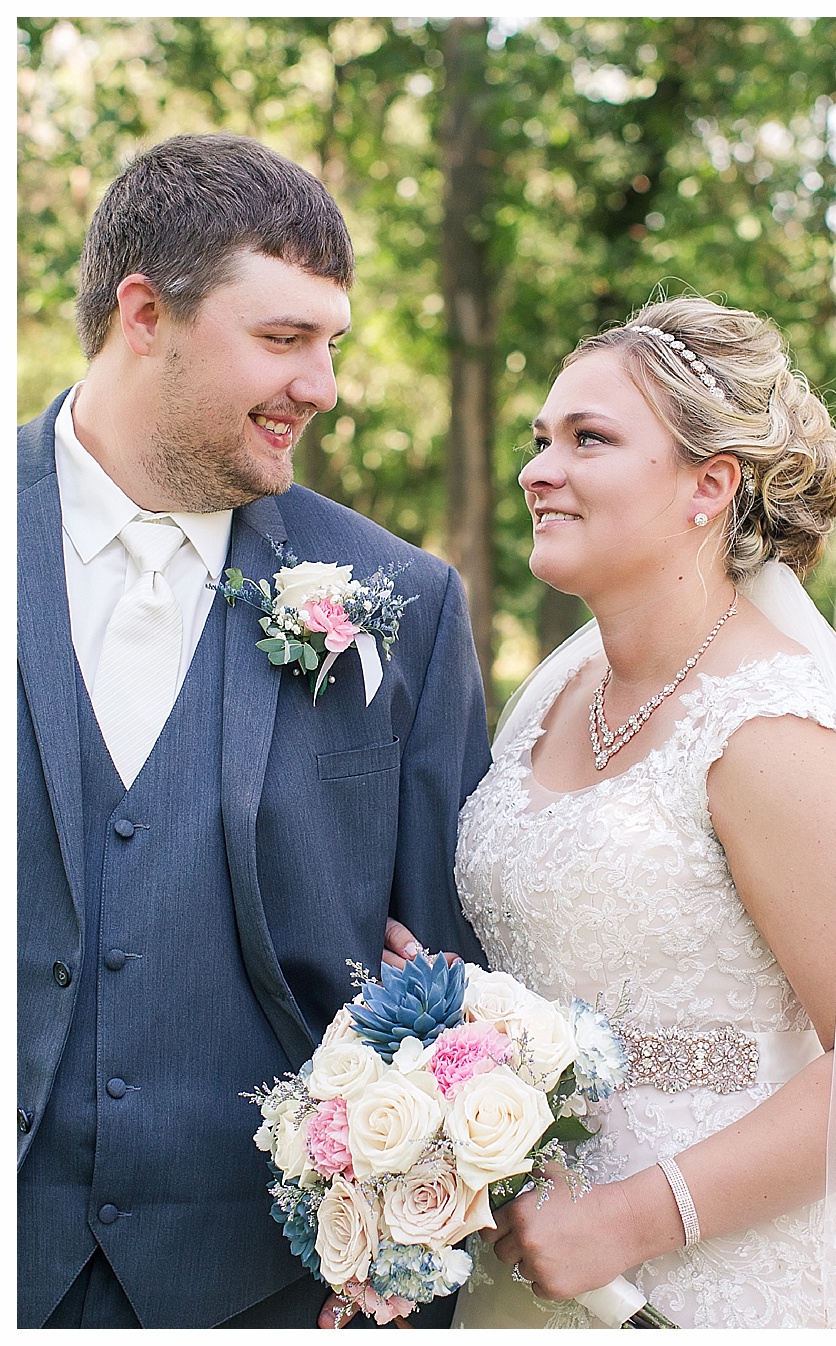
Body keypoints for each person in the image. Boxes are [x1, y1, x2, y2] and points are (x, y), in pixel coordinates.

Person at [15, 133, 490, 1328]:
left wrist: (407, 1272)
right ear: (144, 313)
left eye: (330, 343)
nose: (321, 385)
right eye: (284, 339)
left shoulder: (402, 600)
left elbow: (447, 982)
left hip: (271, 1286)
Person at [435, 296, 836, 1328]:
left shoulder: (771, 731)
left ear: (709, 485)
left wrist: (627, 1221)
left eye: (588, 439)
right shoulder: (555, 697)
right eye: (541, 438)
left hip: (707, 1276)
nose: (538, 468)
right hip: (526, 1255)